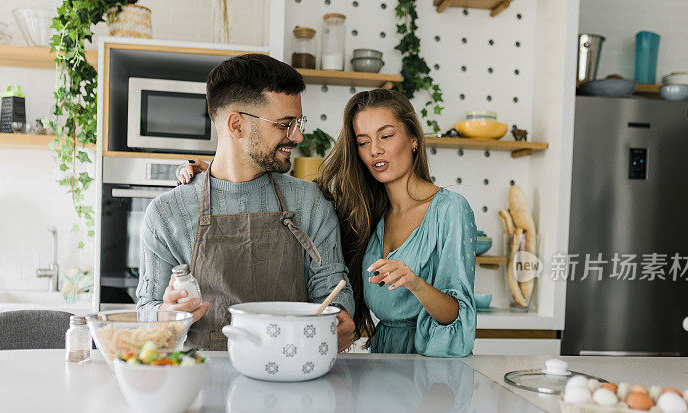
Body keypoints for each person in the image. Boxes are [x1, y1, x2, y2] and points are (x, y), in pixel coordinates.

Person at [137, 53, 356, 351]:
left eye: (299, 122)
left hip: (293, 377)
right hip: (203, 382)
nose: (298, 135)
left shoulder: (309, 202)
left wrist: (340, 314)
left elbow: (332, 284)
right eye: (285, 124)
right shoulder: (166, 214)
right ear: (237, 125)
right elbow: (146, 309)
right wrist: (164, 314)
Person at [318, 89, 477, 357]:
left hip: (430, 374)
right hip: (383, 361)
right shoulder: (368, 215)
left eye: (387, 136)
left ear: (413, 139)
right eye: (363, 142)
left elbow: (457, 317)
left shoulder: (450, 209)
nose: (375, 150)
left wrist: (415, 283)